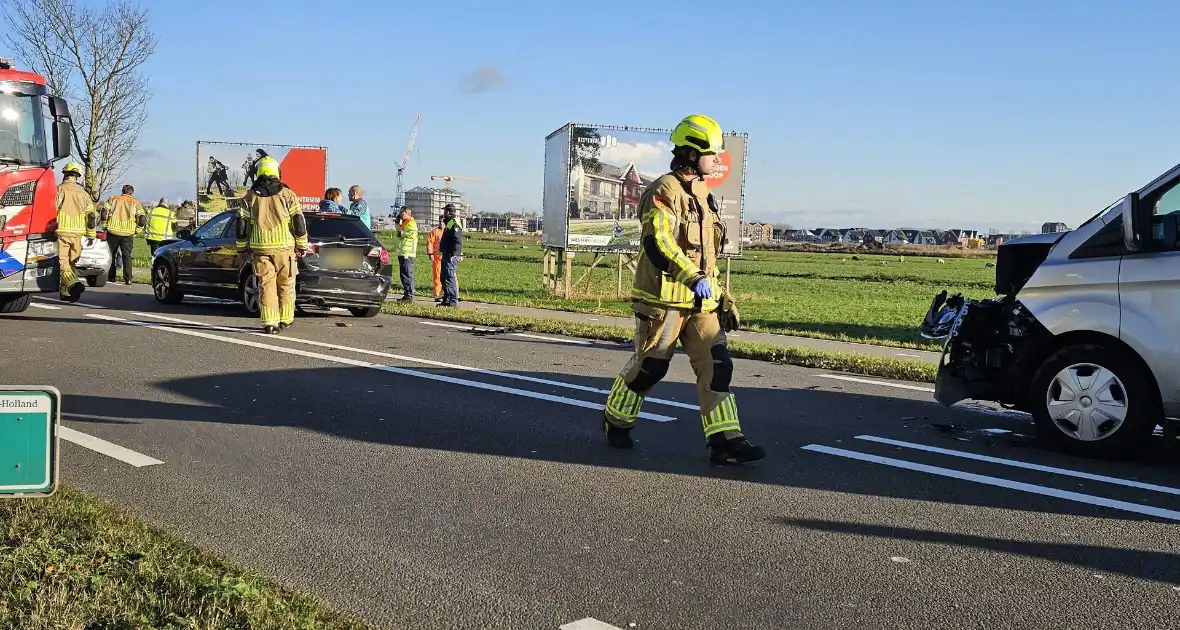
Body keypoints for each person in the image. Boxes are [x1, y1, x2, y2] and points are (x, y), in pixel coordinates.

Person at [600, 114, 764, 465]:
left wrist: (722, 296)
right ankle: (616, 420)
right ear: (691, 153)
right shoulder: (664, 191)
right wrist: (692, 277)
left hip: (701, 304)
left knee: (718, 366)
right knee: (651, 369)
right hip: (664, 303)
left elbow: (708, 256)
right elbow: (658, 242)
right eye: (712, 152)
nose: (718, 159)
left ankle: (725, 441)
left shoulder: (705, 197)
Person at [236, 155, 308, 334]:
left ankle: (269, 323)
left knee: (266, 285)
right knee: (286, 283)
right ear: (277, 172)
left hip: (261, 249)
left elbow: (242, 226)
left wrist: (242, 248)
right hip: (284, 248)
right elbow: (298, 222)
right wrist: (302, 244)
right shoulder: (287, 194)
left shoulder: (249, 197)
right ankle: (286, 319)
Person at [55, 161, 96, 302]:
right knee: (71, 262)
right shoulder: (84, 194)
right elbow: (91, 217)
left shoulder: (58, 190)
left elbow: (50, 210)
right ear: (77, 176)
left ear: (65, 174)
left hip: (61, 231)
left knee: (61, 262)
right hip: (78, 234)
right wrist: (91, 234)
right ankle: (66, 293)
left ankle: (73, 285)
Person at [100, 184, 145, 285]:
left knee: (111, 254)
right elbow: (142, 219)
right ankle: (128, 278)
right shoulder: (136, 202)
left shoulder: (113, 199)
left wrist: (104, 225)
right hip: (128, 233)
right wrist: (137, 230)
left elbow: (104, 213)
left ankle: (111, 277)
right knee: (127, 256)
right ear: (131, 192)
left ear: (123, 191)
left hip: (113, 231)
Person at [438, 203, 462, 307]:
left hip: (451, 255)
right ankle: (446, 299)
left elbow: (456, 240)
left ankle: (453, 301)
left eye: (445, 211)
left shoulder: (454, 223)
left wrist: (453, 253)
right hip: (446, 253)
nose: (443, 213)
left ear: (449, 212)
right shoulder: (449, 223)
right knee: (443, 277)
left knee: (449, 278)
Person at [393, 206, 417, 302]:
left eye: (402, 213)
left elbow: (409, 234)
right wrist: (397, 223)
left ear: (406, 213)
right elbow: (399, 230)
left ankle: (409, 295)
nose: (400, 214)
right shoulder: (405, 222)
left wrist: (400, 233)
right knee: (403, 275)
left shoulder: (411, 223)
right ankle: (407, 294)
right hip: (403, 252)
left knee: (407, 274)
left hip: (408, 253)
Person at [426, 216, 445, 300]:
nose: (441, 223)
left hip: (447, 258)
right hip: (437, 258)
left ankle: (452, 293)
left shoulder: (448, 231)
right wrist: (430, 254)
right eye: (440, 221)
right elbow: (430, 243)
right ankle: (437, 293)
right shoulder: (435, 232)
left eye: (443, 221)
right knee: (437, 276)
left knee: (451, 276)